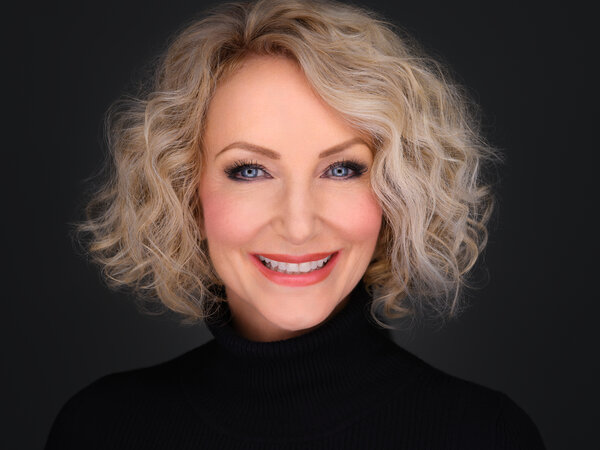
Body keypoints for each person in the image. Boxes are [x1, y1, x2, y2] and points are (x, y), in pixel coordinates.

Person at [45, 0, 546, 448]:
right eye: (250, 170)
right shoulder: (99, 430)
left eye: (342, 169)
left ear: (397, 193)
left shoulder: (485, 435)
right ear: (185, 195)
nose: (300, 225)